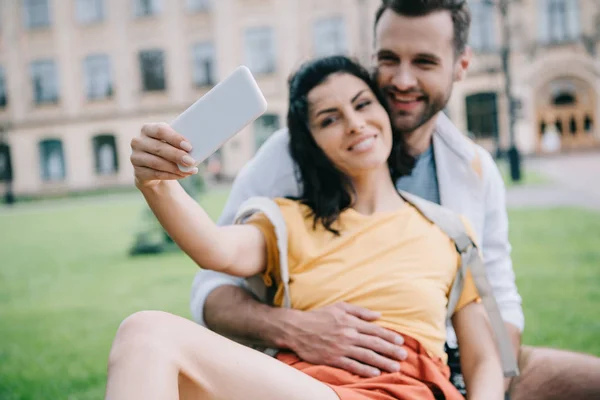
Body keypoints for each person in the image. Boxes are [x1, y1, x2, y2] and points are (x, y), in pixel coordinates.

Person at [189, 1, 600, 399]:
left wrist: (491, 377)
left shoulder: (475, 169)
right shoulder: (292, 153)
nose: (402, 80)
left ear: (461, 66)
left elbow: (498, 296)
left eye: (424, 62)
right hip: (329, 368)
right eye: (389, 58)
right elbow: (214, 284)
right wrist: (293, 328)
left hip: (454, 356)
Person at [108, 55, 503, 400]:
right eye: (329, 119)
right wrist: (156, 183)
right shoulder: (287, 221)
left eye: (363, 104)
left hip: (398, 389)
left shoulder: (451, 232)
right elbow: (214, 248)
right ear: (311, 144)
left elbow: (484, 357)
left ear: (384, 113)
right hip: (302, 387)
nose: (353, 124)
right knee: (145, 335)